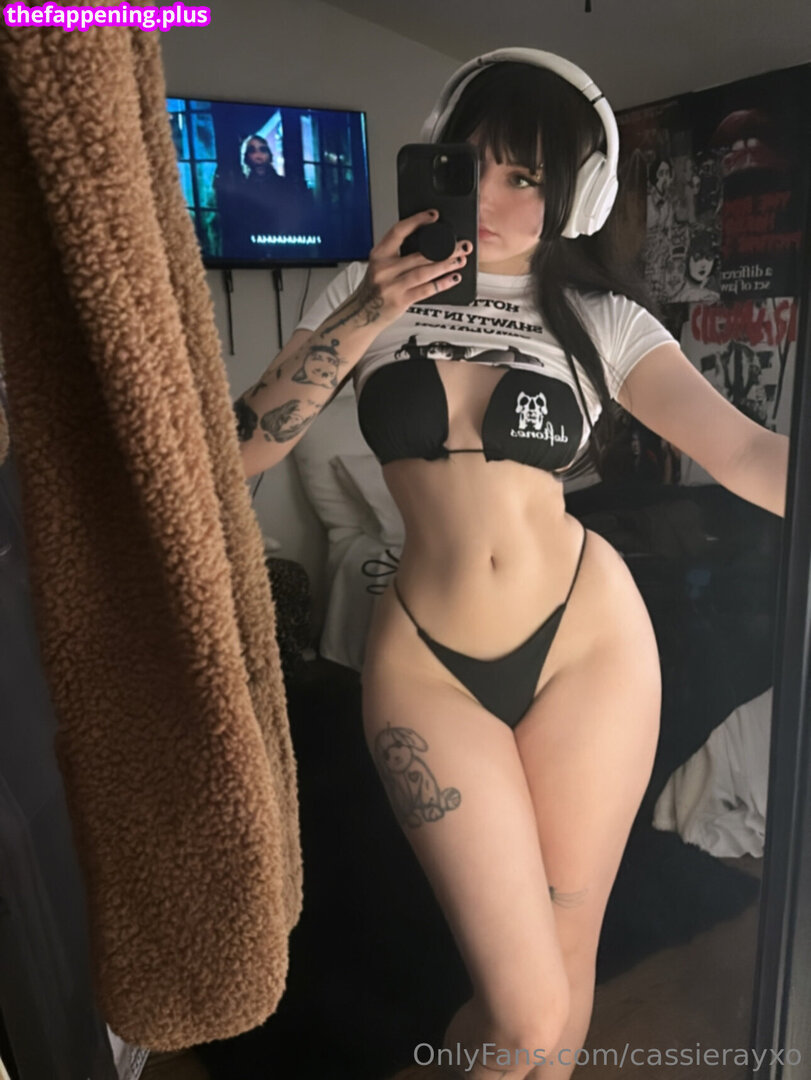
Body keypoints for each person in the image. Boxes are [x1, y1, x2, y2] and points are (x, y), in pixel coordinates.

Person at [234, 49, 788, 1080]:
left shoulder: (600, 320)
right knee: (523, 1009)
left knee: (561, 986)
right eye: (471, 164)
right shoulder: (362, 290)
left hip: (587, 643)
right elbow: (241, 452)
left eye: (525, 175)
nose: (490, 197)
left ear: (576, 194)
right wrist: (367, 310)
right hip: (427, 664)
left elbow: (749, 455)